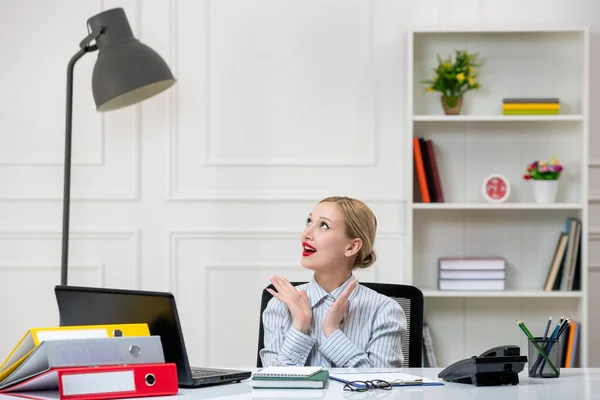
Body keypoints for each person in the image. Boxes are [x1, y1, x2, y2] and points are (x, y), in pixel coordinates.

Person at [259, 196, 407, 368]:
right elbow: (272, 383)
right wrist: (300, 325)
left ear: (351, 247)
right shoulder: (280, 306)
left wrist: (332, 332)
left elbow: (382, 388)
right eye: (309, 221)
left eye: (323, 225)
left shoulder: (384, 311)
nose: (306, 234)